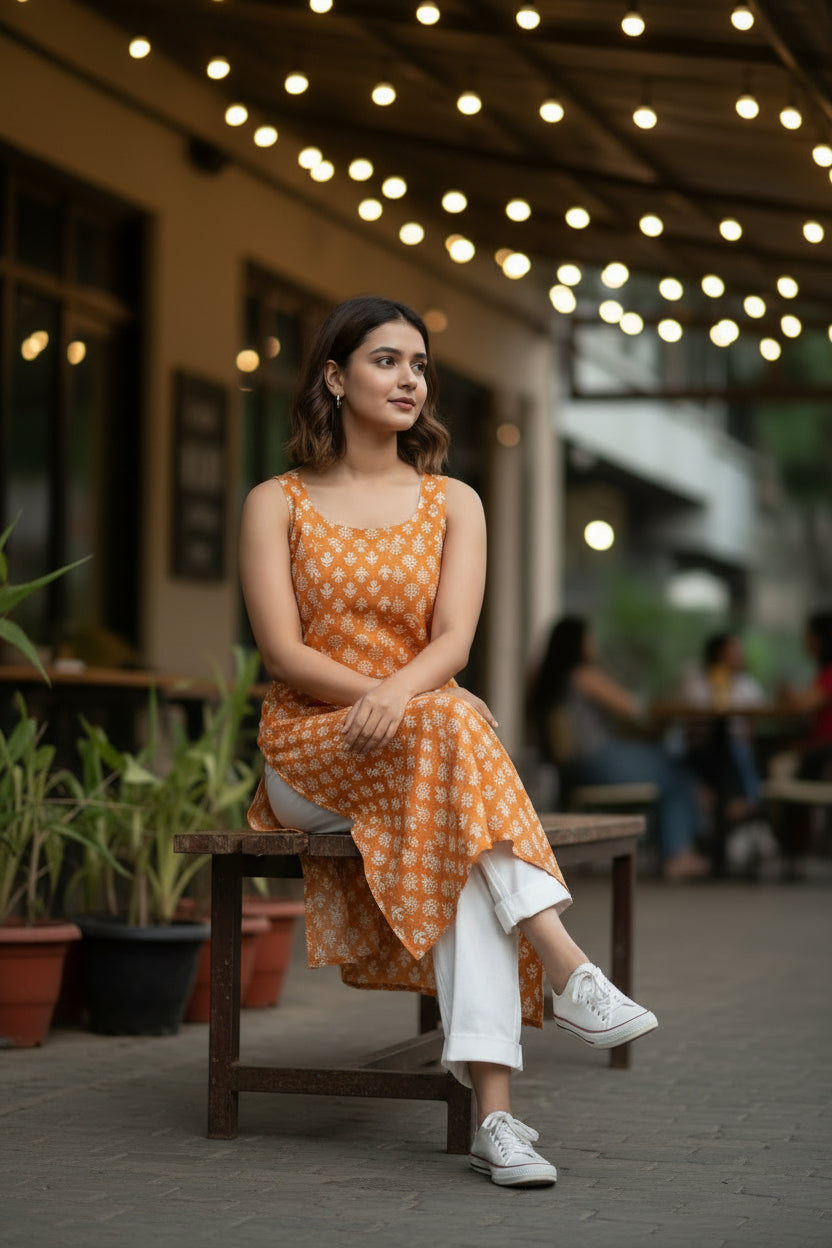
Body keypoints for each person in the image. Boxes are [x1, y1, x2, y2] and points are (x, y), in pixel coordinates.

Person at [239, 295, 657, 1189]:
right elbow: (283, 650)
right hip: (310, 751)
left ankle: (497, 1124)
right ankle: (569, 965)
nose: (408, 379)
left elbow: (453, 644)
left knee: (459, 811)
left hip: (420, 742)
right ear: (334, 375)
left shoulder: (453, 502)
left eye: (418, 365)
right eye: (386, 360)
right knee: (455, 722)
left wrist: (410, 699)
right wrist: (398, 699)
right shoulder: (274, 503)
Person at [531, 615, 708, 882]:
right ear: (578, 643)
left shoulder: (544, 678)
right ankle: (678, 854)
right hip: (597, 760)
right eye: (589, 638)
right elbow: (633, 708)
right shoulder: (584, 675)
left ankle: (679, 847)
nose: (593, 644)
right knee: (678, 772)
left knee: (670, 765)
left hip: (572, 767)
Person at [682, 631, 766, 813]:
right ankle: (741, 799)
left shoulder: (748, 685)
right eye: (733, 652)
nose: (738, 656)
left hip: (736, 747)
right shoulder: (697, 685)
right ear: (717, 655)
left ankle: (744, 800)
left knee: (736, 750)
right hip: (703, 749)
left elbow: (754, 723)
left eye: (739, 652)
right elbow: (689, 724)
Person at [781, 610, 832, 779]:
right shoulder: (823, 673)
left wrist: (789, 695)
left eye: (808, 635)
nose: (804, 641)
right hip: (821, 747)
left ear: (820, 639)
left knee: (776, 763)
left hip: (824, 750)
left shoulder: (829, 673)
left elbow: (803, 705)